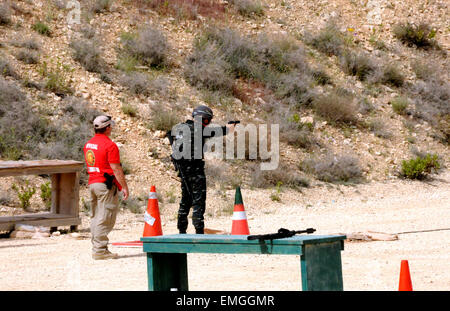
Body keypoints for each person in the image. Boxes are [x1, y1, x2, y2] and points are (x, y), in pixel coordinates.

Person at [168, 105, 236, 234]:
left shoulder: (182, 128)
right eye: (206, 120)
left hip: (184, 171)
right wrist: (228, 128)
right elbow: (218, 131)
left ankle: (181, 230)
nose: (206, 123)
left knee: (186, 200)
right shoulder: (197, 130)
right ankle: (199, 231)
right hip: (195, 171)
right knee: (198, 201)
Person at [83, 115, 129, 260]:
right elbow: (116, 168)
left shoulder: (88, 144)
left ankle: (97, 247)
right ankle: (100, 249)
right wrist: (124, 187)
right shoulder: (110, 145)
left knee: (96, 216)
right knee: (105, 217)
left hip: (93, 183)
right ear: (108, 128)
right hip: (105, 184)